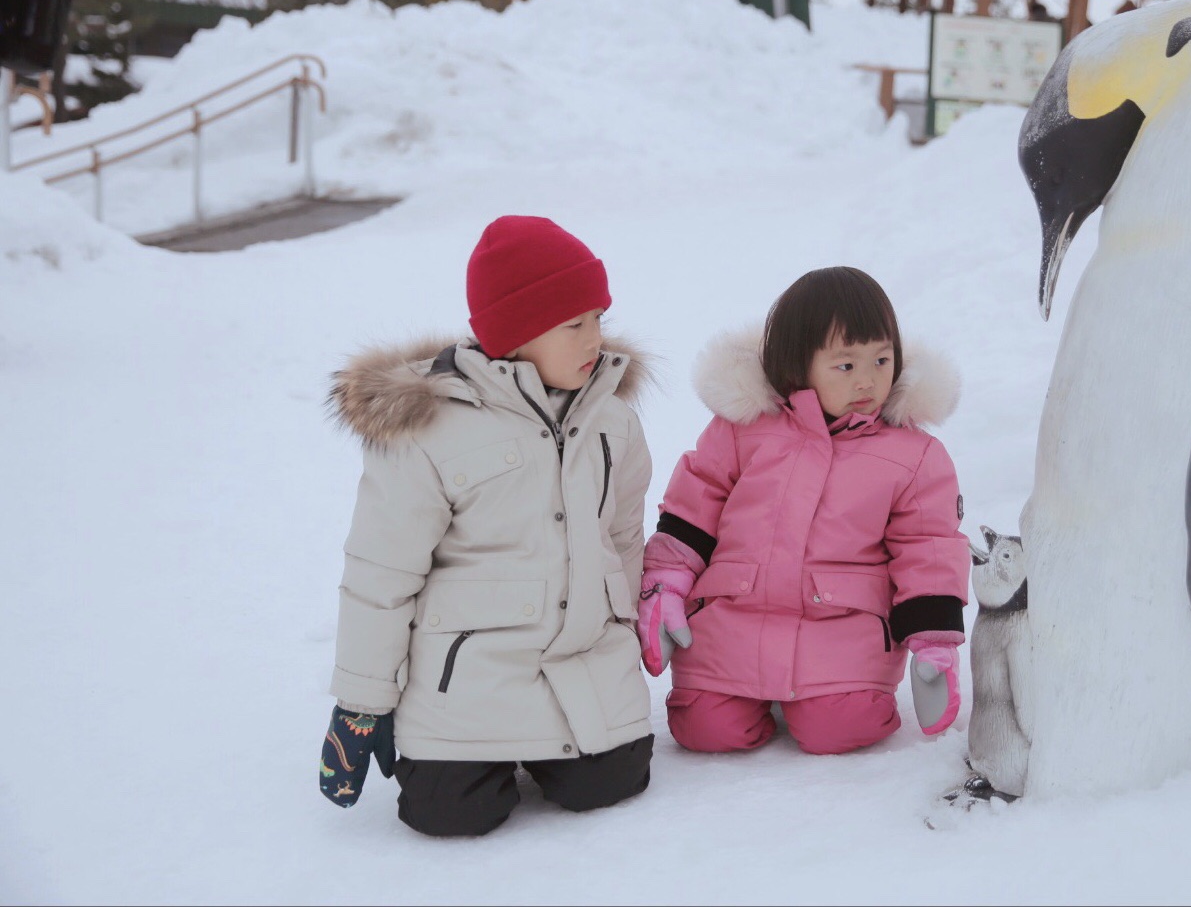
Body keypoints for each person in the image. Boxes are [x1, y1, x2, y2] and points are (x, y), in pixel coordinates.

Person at [317, 214, 655, 836]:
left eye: (599, 318)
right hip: (467, 672)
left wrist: (627, 622)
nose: (595, 340)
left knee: (611, 783)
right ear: (516, 333)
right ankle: (467, 757)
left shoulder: (614, 422)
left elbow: (623, 536)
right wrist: (362, 702)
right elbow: (381, 573)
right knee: (449, 815)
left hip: (582, 660)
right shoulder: (430, 429)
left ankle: (558, 744)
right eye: (573, 324)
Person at [638, 266, 971, 755]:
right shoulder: (744, 427)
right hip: (734, 617)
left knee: (841, 728)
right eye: (846, 365)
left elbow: (928, 546)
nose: (868, 380)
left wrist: (933, 639)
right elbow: (694, 507)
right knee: (707, 731)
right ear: (798, 365)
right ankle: (749, 693)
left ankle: (819, 698)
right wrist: (666, 585)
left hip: (842, 626)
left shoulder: (912, 454)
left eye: (881, 359)